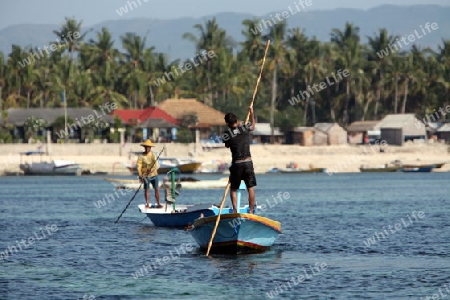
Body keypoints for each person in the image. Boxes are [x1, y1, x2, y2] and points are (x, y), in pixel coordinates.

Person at [223, 107, 256, 213]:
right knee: (250, 187)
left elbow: (227, 145)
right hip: (248, 162)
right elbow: (253, 126)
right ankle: (251, 211)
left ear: (227, 124)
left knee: (233, 189)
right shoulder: (244, 128)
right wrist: (251, 113)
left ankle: (236, 211)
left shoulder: (226, 134)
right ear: (236, 121)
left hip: (237, 164)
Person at [137, 139, 162, 208]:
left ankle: (158, 203)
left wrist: (152, 169)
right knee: (146, 189)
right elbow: (139, 166)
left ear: (150, 148)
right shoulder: (141, 156)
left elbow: (157, 165)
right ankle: (147, 203)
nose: (147, 148)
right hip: (145, 176)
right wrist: (140, 175)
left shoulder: (153, 155)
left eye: (149, 147)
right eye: (146, 147)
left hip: (154, 175)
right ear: (144, 147)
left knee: (156, 189)